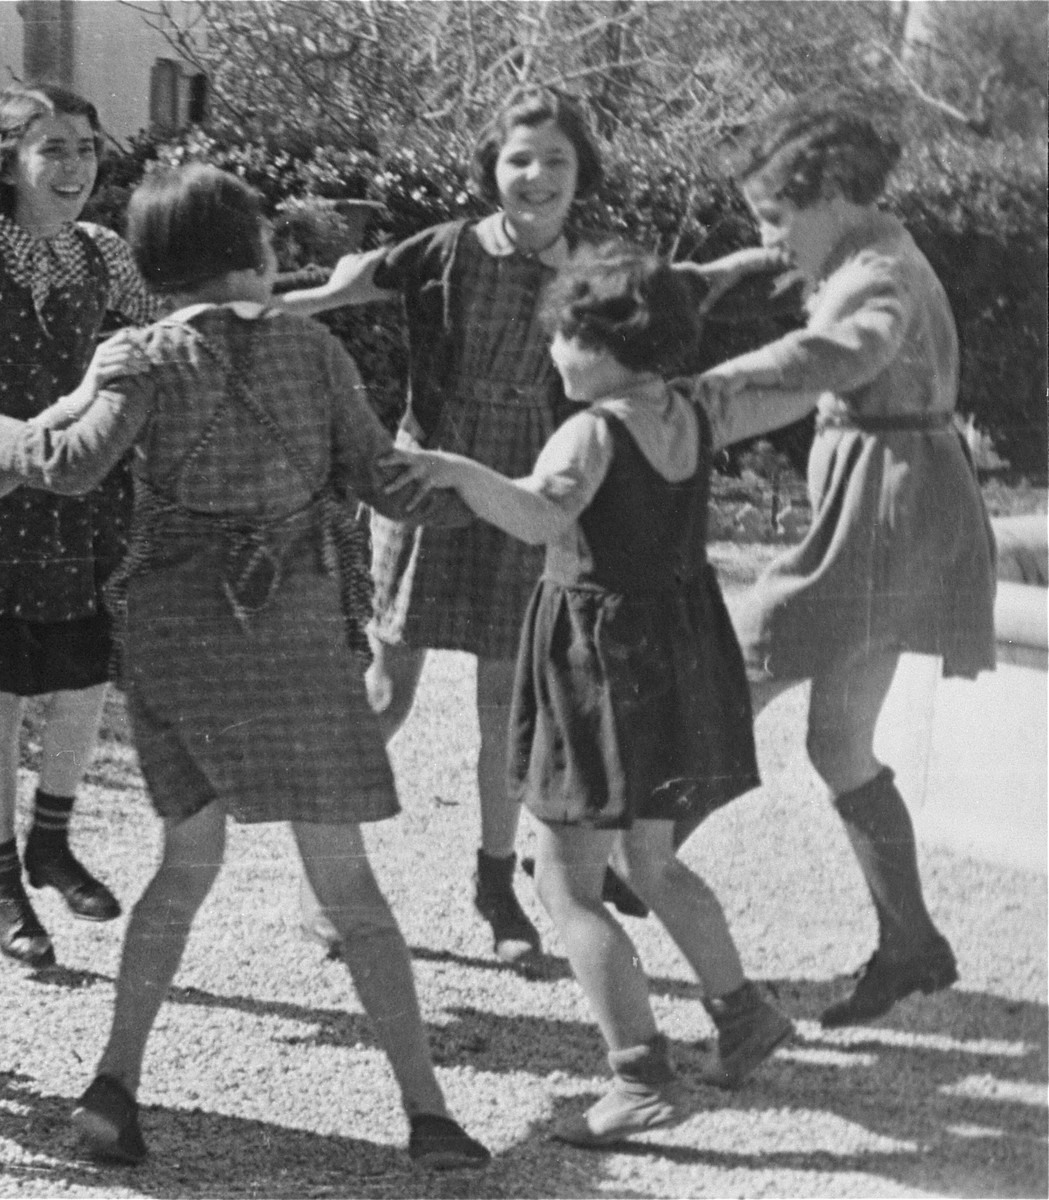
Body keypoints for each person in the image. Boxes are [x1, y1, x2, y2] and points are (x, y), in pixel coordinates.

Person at [0, 164, 491, 1171]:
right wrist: (506, 488)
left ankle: (114, 1088)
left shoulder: (138, 353)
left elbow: (66, 461)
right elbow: (386, 485)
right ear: (256, 252)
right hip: (300, 637)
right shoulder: (314, 350)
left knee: (184, 868)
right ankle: (428, 1114)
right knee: (350, 889)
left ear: (151, 266)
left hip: (179, 639)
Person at [385, 243, 809, 1146]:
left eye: (565, 339)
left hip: (600, 663)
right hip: (675, 648)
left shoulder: (589, 430)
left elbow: (541, 515)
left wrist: (456, 471)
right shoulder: (688, 411)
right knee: (649, 862)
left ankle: (638, 1076)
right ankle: (742, 1016)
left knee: (564, 881)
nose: (554, 355)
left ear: (606, 342)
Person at [278, 88, 609, 962]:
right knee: (385, 691)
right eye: (518, 159)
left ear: (581, 174)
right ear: (491, 170)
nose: (535, 177)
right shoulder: (445, 250)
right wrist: (245, 315)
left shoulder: (593, 271)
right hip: (426, 480)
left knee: (507, 706)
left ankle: (496, 887)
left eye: (556, 162)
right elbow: (341, 289)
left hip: (524, 491)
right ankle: (324, 881)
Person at [697, 99, 995, 1028]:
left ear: (828, 195)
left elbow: (844, 350)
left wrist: (725, 376)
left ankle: (627, 862)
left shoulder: (877, 276)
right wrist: (712, 279)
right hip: (895, 492)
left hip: (888, 509)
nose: (766, 235)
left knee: (738, 659)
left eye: (775, 216)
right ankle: (910, 945)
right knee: (835, 740)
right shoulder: (869, 251)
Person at [0, 83, 157, 969]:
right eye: (51, 148)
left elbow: (157, 333)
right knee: (1, 681)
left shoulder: (101, 251)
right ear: (6, 159)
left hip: (84, 485)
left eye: (86, 148)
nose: (72, 167)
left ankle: (50, 839)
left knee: (85, 666)